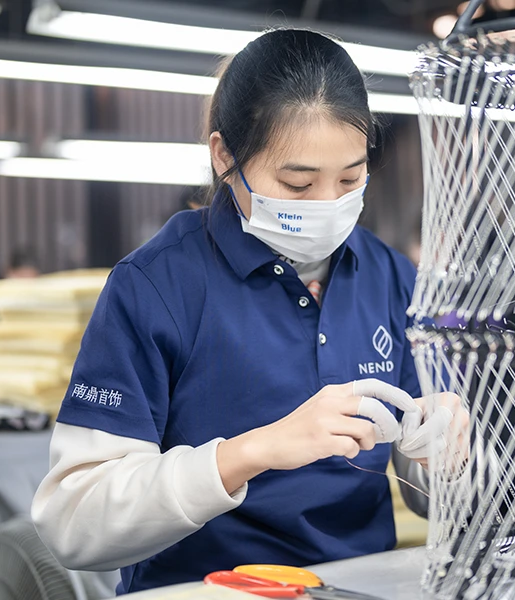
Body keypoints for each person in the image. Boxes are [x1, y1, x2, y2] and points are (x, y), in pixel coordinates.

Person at [32, 29, 464, 594]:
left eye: (350, 178)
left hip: (354, 585)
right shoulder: (158, 285)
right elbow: (73, 523)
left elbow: (429, 491)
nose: (329, 205)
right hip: (202, 589)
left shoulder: (388, 277)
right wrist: (250, 453)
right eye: (297, 183)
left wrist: (442, 458)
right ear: (224, 156)